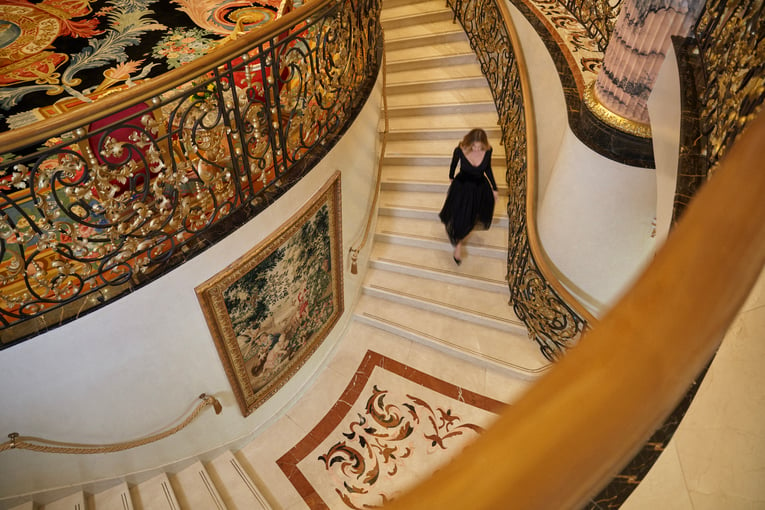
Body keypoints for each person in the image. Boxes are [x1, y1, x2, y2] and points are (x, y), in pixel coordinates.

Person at [438, 128, 499, 265]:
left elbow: (487, 169)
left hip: (479, 189)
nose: (477, 149)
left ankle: (460, 238)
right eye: (474, 146)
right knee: (460, 216)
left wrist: (494, 188)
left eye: (480, 146)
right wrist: (451, 177)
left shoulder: (488, 151)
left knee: (472, 217)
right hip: (462, 187)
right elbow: (453, 164)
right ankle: (458, 244)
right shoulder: (460, 150)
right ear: (469, 143)